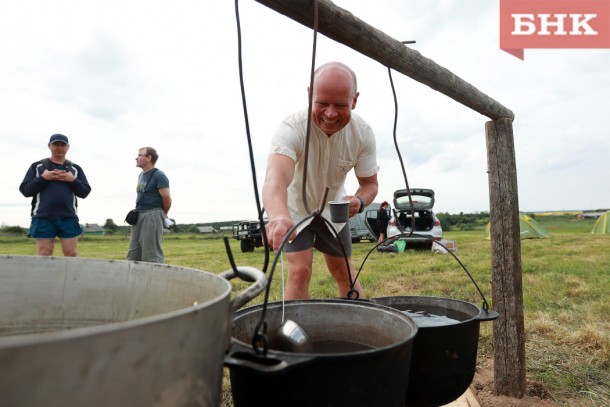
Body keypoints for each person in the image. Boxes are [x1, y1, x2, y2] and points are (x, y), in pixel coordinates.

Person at [262, 61, 379, 300]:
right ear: (309, 95)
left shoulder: (363, 134)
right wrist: (278, 217)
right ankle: (294, 333)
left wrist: (360, 201)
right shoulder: (291, 129)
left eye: (340, 105)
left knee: (345, 272)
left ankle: (358, 329)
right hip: (292, 210)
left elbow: (370, 184)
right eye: (322, 103)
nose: (330, 113)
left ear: (354, 101)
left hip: (335, 212)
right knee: (300, 271)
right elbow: (275, 179)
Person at [19, 134, 91, 257]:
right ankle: (45, 277)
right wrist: (43, 178)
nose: (59, 148)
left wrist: (72, 180)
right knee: (44, 254)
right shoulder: (37, 166)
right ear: (49, 146)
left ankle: (70, 277)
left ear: (68, 147)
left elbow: (84, 192)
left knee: (71, 254)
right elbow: (25, 190)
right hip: (43, 217)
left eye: (62, 145)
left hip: (68, 217)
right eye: (56, 145)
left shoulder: (75, 169)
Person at [126, 147, 172, 263]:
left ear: (149, 158)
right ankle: (135, 280)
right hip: (139, 215)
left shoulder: (159, 175)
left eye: (140, 155)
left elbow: (167, 199)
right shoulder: (141, 175)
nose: (136, 158)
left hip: (152, 214)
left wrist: (162, 215)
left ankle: (156, 280)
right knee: (133, 254)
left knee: (151, 255)